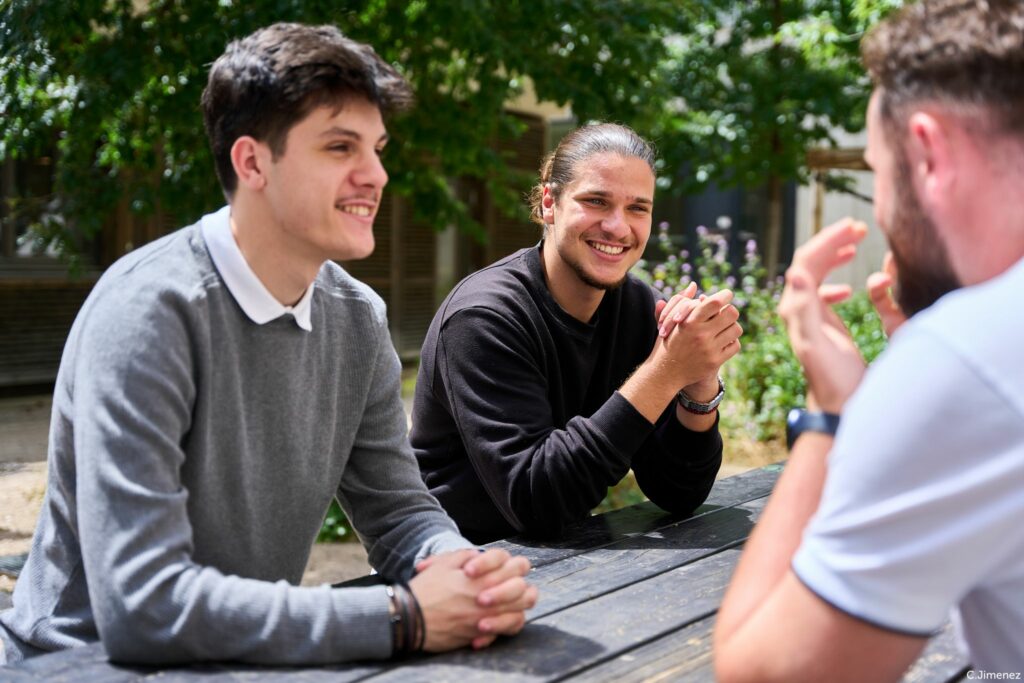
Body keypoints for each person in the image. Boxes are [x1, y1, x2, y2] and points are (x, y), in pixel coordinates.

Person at [0, 23, 537, 667]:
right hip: (78, 663)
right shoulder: (149, 312)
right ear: (252, 161)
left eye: (378, 148)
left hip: (239, 657)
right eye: (341, 147)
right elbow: (144, 607)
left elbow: (398, 515)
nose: (376, 175)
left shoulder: (357, 318)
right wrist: (403, 617)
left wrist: (463, 573)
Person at [714, 0, 1024, 679]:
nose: (881, 210)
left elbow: (760, 672)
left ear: (928, 151)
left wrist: (833, 413)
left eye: (878, 172)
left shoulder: (965, 357)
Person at [411, 123, 743, 543]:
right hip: (446, 562)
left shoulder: (640, 309)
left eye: (638, 208)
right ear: (550, 203)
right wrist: (664, 371)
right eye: (596, 201)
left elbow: (678, 493)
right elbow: (536, 501)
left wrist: (697, 384)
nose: (618, 227)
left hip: (557, 560)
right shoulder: (483, 318)